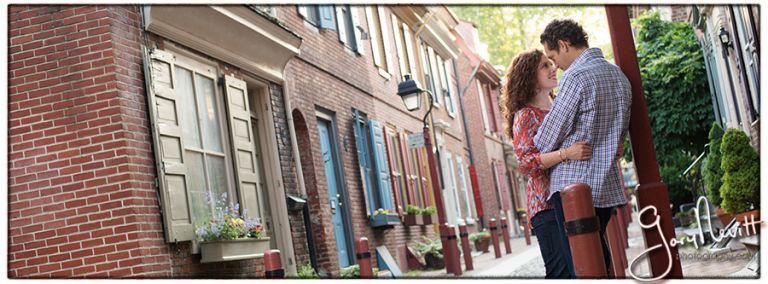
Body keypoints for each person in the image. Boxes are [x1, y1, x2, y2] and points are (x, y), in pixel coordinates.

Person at [533, 19, 632, 277]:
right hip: (605, 186)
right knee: (598, 255)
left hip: (571, 186)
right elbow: (620, 134)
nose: (555, 65)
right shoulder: (618, 76)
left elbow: (546, 139)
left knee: (580, 263)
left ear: (564, 45)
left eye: (552, 56)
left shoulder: (575, 78)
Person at [500, 48, 592, 279]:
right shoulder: (525, 115)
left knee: (586, 267)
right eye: (544, 65)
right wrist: (566, 154)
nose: (553, 68)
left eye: (551, 63)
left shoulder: (562, 107)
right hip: (547, 207)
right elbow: (526, 162)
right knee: (561, 272)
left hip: (573, 199)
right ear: (529, 76)